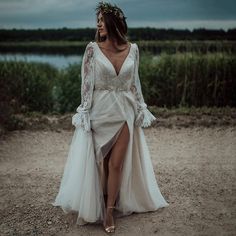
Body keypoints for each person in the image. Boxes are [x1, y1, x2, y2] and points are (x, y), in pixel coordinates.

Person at [52, 1, 169, 233]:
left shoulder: (133, 49)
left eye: (101, 20)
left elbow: (134, 83)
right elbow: (86, 84)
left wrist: (141, 107)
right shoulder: (91, 49)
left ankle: (108, 211)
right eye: (97, 21)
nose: (98, 25)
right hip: (99, 111)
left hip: (124, 110)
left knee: (116, 163)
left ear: (113, 23)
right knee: (101, 161)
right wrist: (84, 111)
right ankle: (103, 195)